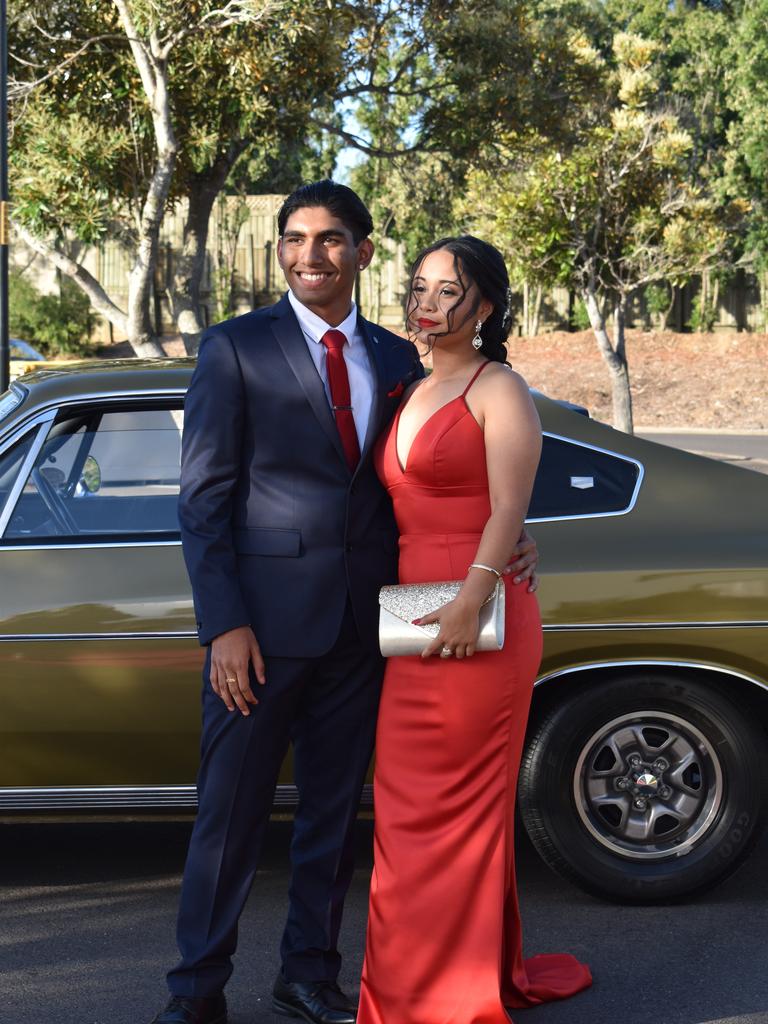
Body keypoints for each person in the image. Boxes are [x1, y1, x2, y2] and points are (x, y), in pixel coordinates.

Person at [151, 183, 539, 1024]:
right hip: (260, 634)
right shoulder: (233, 349)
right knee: (229, 819)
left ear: (362, 251)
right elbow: (203, 503)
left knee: (332, 818)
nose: (308, 255)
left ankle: (308, 974)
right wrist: (223, 624)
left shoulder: (405, 358)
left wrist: (512, 539)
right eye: (294, 239)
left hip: (377, 626)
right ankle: (195, 991)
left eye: (330, 240)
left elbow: (462, 470)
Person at [357, 236, 592, 1023]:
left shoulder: (501, 389)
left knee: (461, 808)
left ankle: (450, 994)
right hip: (413, 615)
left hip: (478, 614)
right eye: (419, 286)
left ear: (484, 307)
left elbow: (507, 508)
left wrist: (474, 590)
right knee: (405, 804)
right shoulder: (406, 384)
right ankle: (418, 979)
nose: (427, 302)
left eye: (447, 290)